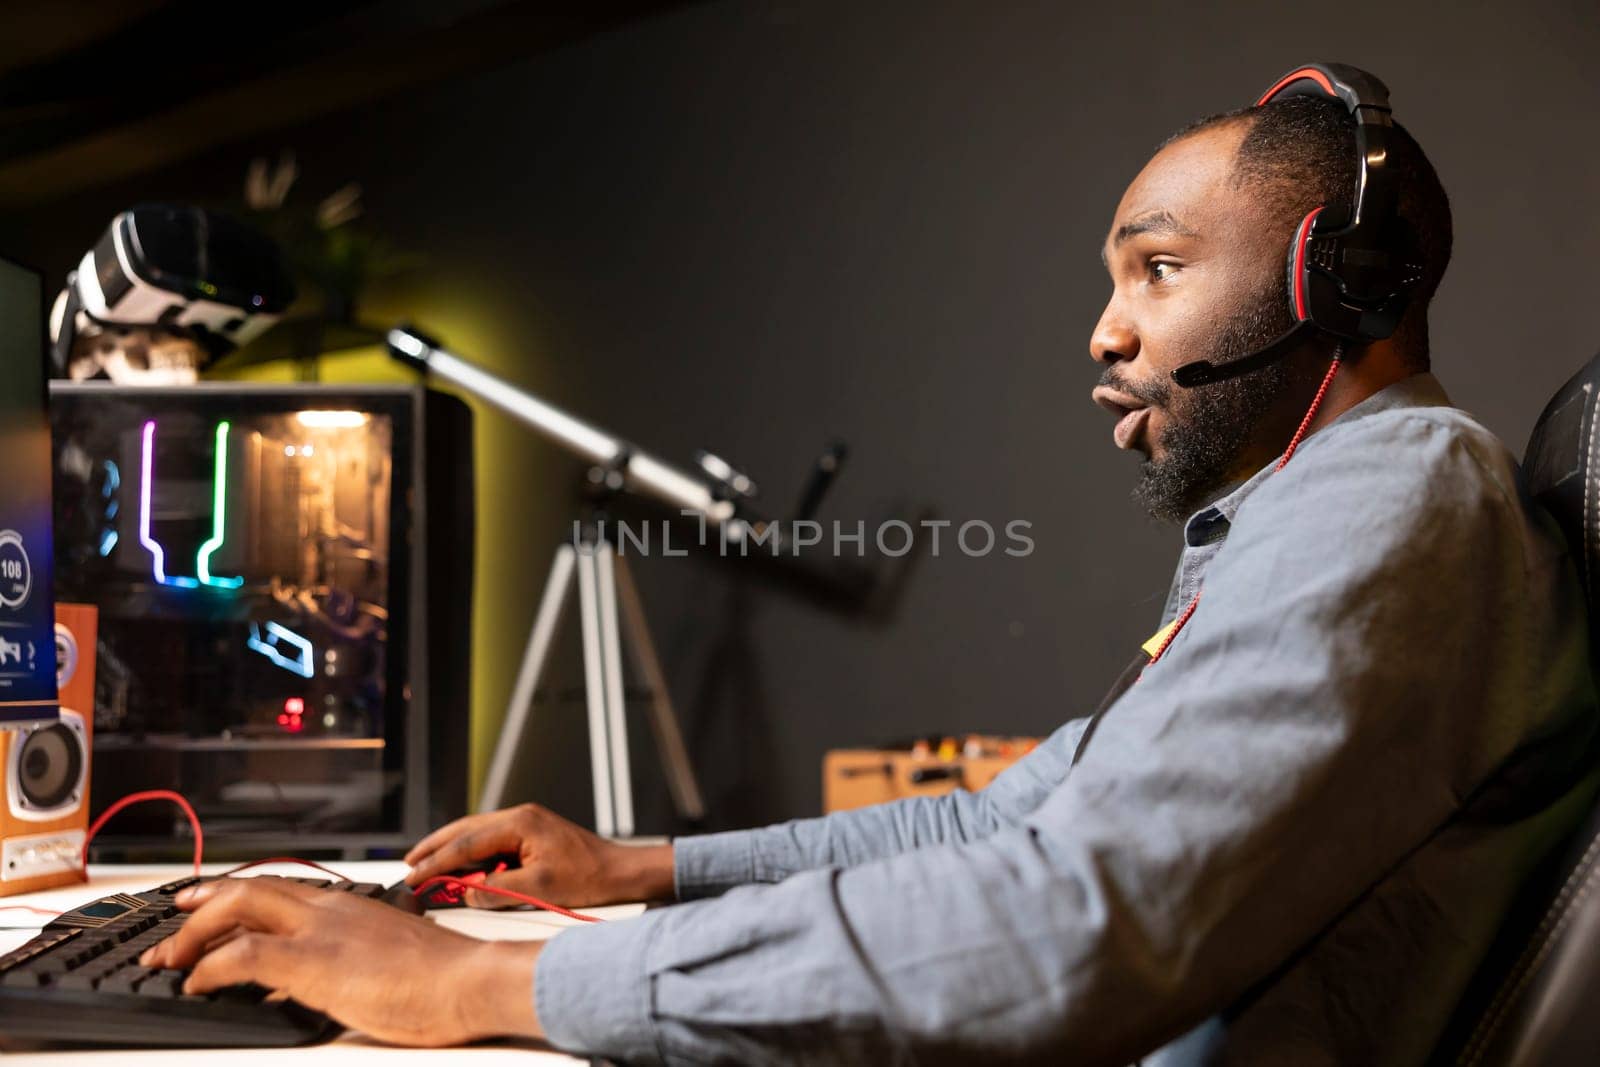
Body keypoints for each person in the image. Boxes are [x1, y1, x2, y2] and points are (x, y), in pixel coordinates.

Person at [140, 73, 1600, 1064]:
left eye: (1154, 269)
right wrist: (639, 868)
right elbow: (1022, 824)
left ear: (1323, 282)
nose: (1103, 332)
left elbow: (1076, 923)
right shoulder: (1308, 516)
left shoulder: (1400, 499)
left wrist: (481, 984)